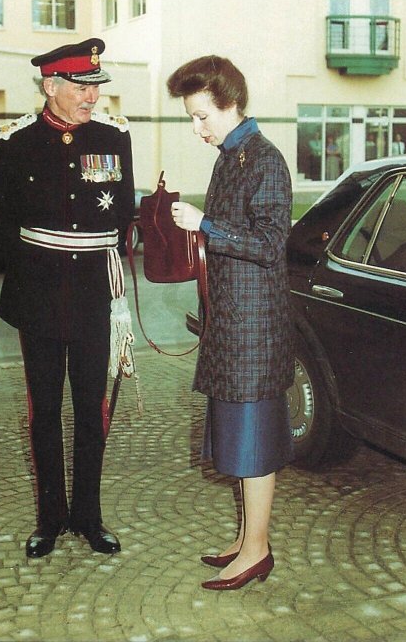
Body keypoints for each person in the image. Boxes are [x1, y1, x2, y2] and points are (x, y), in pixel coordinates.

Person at [0, 38, 135, 558]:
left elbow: (123, 217)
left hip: (96, 294)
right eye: (81, 86)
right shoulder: (15, 141)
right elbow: (0, 226)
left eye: (96, 86)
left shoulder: (115, 138)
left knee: (91, 409)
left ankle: (89, 517)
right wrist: (40, 274)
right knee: (44, 409)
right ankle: (50, 519)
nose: (92, 96)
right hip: (40, 297)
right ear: (50, 86)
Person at [167, 55, 294, 591]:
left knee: (254, 443)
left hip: (254, 331)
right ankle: (246, 539)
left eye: (202, 116)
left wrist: (205, 224)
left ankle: (258, 550)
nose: (198, 129)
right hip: (231, 326)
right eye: (192, 118)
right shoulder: (231, 157)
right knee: (237, 441)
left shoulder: (264, 160)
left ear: (231, 103)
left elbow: (269, 244)